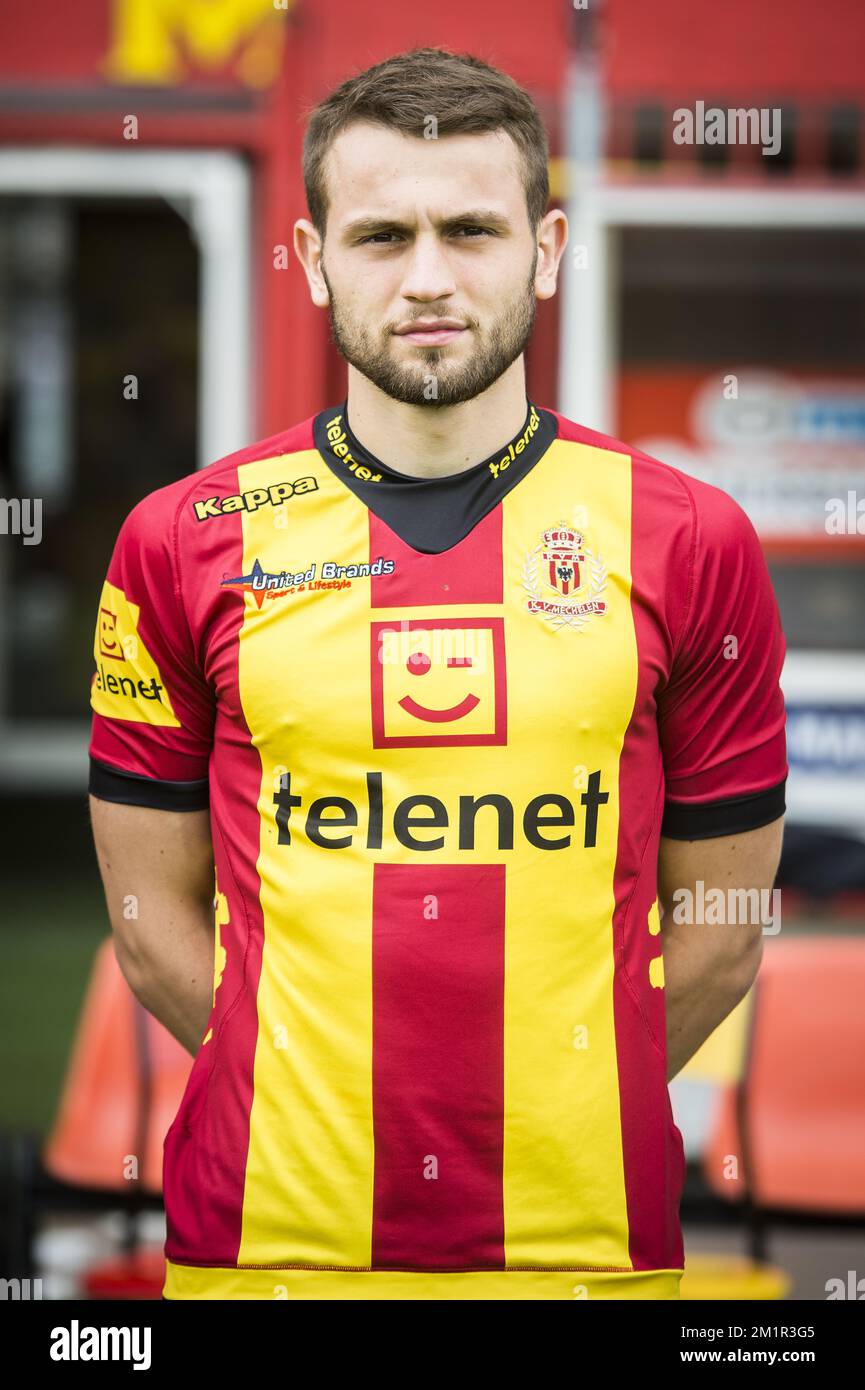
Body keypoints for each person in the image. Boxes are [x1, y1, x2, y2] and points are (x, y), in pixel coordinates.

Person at [87, 47, 787, 1301]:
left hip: (585, 1253)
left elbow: (725, 934)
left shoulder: (691, 538)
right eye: (379, 235)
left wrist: (581, 1086)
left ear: (548, 248)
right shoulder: (177, 540)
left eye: (471, 229)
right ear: (309, 260)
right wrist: (291, 1078)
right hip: (264, 1247)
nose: (427, 279)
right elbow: (149, 921)